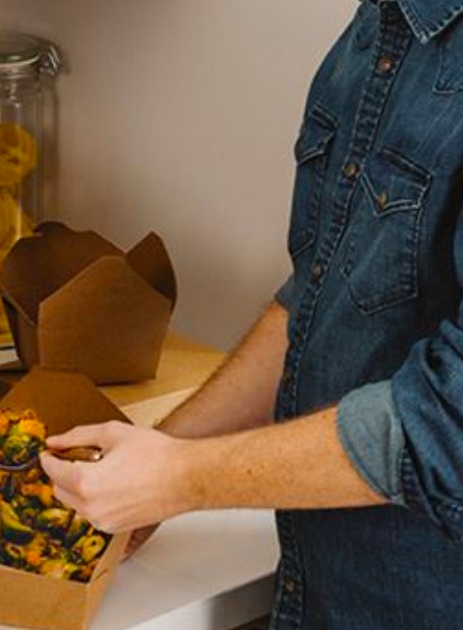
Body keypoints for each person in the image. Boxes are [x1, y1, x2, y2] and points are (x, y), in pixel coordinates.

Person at [40, 0, 463, 627]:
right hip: (325, 594)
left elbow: (450, 426)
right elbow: (325, 291)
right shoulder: (385, 22)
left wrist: (182, 478)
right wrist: (160, 458)